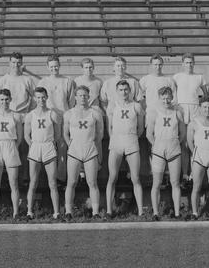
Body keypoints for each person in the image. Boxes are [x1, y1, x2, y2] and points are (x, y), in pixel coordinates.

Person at [105, 80, 145, 218]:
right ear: (117, 91)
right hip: (116, 142)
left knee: (135, 178)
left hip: (131, 142)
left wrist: (132, 138)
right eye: (121, 90)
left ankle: (141, 211)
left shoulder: (136, 106)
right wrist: (115, 140)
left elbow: (140, 128)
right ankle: (109, 211)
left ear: (130, 91)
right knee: (112, 177)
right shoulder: (112, 106)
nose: (124, 92)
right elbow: (109, 127)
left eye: (126, 89)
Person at [63, 85, 104, 220]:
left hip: (90, 150)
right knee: (71, 182)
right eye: (80, 95)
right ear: (75, 97)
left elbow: (99, 135)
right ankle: (68, 212)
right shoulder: (69, 113)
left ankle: (96, 212)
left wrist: (96, 151)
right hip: (74, 151)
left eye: (85, 95)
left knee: (92, 182)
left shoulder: (95, 113)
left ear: (89, 97)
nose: (82, 98)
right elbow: (65, 133)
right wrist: (72, 145)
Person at [146, 87, 186, 220]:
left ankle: (176, 213)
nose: (166, 100)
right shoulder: (154, 112)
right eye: (163, 98)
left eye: (168, 97)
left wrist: (174, 143)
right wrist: (156, 146)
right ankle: (156, 213)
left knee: (175, 182)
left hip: (174, 150)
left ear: (172, 97)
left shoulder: (178, 112)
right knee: (156, 183)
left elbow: (183, 133)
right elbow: (149, 134)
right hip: (158, 152)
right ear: (159, 98)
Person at [0, 52, 35, 183]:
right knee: (9, 149)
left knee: (24, 148)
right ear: (9, 63)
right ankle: (7, 178)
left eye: (18, 63)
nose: (16, 65)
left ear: (21, 63)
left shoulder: (27, 80)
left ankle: (24, 177)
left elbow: (35, 97)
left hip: (23, 116)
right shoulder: (3, 80)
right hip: (7, 118)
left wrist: (29, 112)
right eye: (13, 62)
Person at [24, 87, 62, 220]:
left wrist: (50, 144)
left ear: (47, 97)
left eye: (43, 97)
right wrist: (33, 145)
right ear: (35, 98)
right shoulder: (30, 115)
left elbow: (57, 134)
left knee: (52, 182)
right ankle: (29, 211)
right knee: (33, 182)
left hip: (48, 147)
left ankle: (56, 212)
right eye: (38, 97)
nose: (41, 100)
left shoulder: (52, 114)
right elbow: (26, 135)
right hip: (35, 147)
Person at [37, 55, 75, 182]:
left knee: (62, 149)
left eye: (56, 66)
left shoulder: (68, 81)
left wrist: (69, 119)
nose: (54, 68)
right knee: (49, 148)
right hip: (48, 120)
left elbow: (70, 102)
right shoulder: (43, 82)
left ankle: (61, 177)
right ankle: (48, 178)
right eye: (52, 66)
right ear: (47, 67)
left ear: (60, 65)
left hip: (63, 118)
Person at [0, 89, 24, 221]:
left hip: (10, 145)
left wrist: (13, 147)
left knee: (13, 182)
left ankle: (15, 213)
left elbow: (19, 137)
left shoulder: (16, 116)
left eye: (6, 99)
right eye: (2, 99)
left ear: (10, 99)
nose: (4, 102)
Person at [173, 53, 208, 184]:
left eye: (191, 62)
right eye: (186, 62)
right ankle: (184, 174)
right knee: (183, 143)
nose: (189, 65)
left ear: (194, 63)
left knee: (194, 144)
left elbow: (205, 95)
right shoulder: (177, 77)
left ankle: (194, 174)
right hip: (181, 110)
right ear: (182, 64)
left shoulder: (199, 77)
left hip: (195, 111)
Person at [187, 97, 209, 220]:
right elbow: (189, 142)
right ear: (200, 108)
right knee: (196, 187)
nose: (207, 109)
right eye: (204, 107)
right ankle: (195, 212)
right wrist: (196, 154)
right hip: (199, 158)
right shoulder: (193, 123)